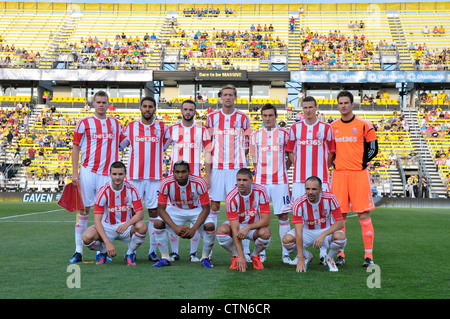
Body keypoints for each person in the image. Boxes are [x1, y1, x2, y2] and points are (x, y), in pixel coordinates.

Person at [69, 90, 122, 263]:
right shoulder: (84, 123)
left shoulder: (115, 124)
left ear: (108, 104)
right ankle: (78, 251)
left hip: (107, 175)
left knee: (104, 213)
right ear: (93, 104)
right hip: (88, 172)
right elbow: (75, 147)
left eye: (104, 102)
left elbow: (124, 143)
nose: (101, 105)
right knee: (83, 210)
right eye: (98, 102)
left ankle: (101, 251)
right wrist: (75, 173)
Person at [330, 90, 378, 267]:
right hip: (339, 175)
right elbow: (330, 150)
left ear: (352, 104)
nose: (343, 106)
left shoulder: (365, 125)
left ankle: (368, 256)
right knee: (339, 217)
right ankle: (340, 254)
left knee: (363, 215)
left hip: (358, 175)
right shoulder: (332, 126)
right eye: (340, 103)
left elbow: (373, 149)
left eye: (346, 103)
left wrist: (361, 163)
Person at [286, 96, 335, 263]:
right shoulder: (294, 128)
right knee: (299, 213)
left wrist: (323, 170)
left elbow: (331, 153)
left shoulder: (326, 128)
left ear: (316, 108)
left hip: (321, 179)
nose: (307, 110)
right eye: (304, 107)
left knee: (324, 213)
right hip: (300, 180)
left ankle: (323, 251)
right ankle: (304, 254)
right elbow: (290, 152)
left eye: (310, 107)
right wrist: (298, 166)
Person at [204, 84, 251, 256]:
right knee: (214, 205)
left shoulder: (243, 118)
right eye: (225, 95)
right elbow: (207, 147)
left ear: (235, 97)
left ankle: (245, 250)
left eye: (231, 95)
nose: (228, 97)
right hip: (217, 169)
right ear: (221, 97)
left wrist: (240, 161)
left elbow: (247, 145)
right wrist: (207, 174)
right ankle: (208, 251)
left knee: (240, 207)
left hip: (236, 169)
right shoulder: (212, 118)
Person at [120, 96, 168, 262]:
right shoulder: (131, 126)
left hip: (154, 178)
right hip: (134, 178)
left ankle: (152, 251)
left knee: (154, 213)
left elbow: (166, 144)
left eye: (150, 106)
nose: (147, 109)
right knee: (134, 214)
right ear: (140, 108)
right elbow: (121, 145)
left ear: (155, 109)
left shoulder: (162, 127)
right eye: (145, 106)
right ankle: (131, 250)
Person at [164, 99, 212, 261]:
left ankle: (193, 253)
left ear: (195, 112)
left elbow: (207, 153)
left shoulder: (202, 130)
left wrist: (207, 175)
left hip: (196, 178)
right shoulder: (171, 129)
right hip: (174, 179)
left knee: (196, 215)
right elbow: (161, 149)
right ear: (181, 111)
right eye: (185, 109)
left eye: (191, 109)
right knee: (174, 214)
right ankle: (175, 252)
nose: (188, 112)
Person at [81, 161, 147, 266]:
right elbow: (97, 221)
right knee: (86, 237)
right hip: (107, 227)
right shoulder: (103, 191)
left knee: (142, 226)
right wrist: (107, 243)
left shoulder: (132, 189)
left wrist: (126, 224)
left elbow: (140, 214)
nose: (117, 177)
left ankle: (129, 254)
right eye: (114, 174)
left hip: (126, 227)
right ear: (110, 174)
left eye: (120, 174)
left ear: (125, 174)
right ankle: (103, 252)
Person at [152, 160, 216, 268]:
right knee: (158, 224)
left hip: (196, 209)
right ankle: (165, 258)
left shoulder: (199, 182)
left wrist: (194, 229)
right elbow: (161, 209)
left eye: (183, 172)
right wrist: (175, 228)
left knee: (210, 226)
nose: (180, 175)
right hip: (175, 209)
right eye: (177, 172)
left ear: (189, 172)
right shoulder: (166, 183)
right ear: (173, 172)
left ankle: (205, 258)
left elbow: (206, 208)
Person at [250, 103, 292, 263]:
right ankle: (260, 253)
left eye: (270, 115)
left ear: (276, 116)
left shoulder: (284, 134)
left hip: (280, 182)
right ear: (261, 117)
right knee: (259, 217)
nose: (268, 118)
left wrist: (282, 169)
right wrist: (258, 168)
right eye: (265, 116)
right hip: (261, 182)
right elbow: (253, 157)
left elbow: (290, 157)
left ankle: (286, 254)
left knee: (283, 216)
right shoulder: (255, 135)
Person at [282, 176, 346, 272]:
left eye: (314, 189)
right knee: (286, 240)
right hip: (306, 232)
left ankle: (329, 258)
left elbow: (340, 223)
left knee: (341, 237)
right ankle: (306, 256)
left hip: (325, 231)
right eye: (308, 189)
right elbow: (298, 232)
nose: (310, 192)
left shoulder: (330, 198)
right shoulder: (298, 203)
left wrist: (323, 234)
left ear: (320, 190)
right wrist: (300, 258)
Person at [216, 168, 272, 272]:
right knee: (221, 231)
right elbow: (234, 228)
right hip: (237, 225)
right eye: (239, 180)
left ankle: (255, 256)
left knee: (266, 232)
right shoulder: (231, 198)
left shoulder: (261, 191)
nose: (241, 183)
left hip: (254, 226)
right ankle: (236, 257)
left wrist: (248, 227)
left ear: (251, 180)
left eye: (245, 180)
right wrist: (241, 255)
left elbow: (266, 220)